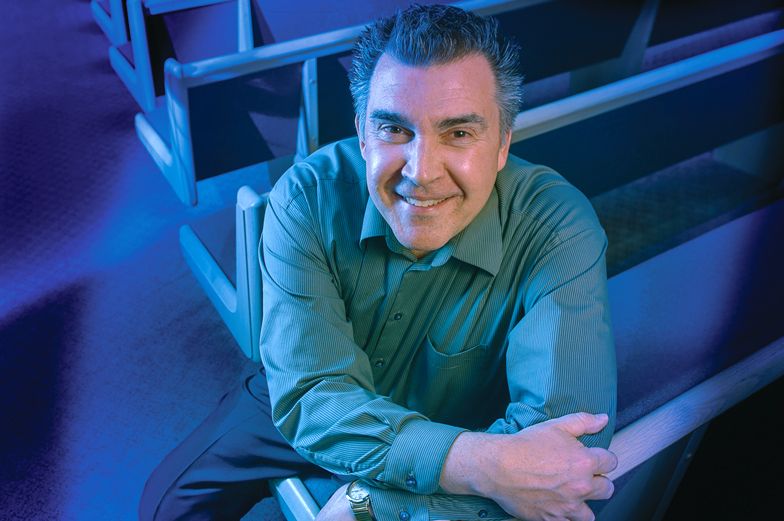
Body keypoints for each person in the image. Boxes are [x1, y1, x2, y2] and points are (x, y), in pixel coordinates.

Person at [139, 5, 617, 521]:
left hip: (457, 415)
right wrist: (475, 462)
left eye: (458, 133)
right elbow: (311, 393)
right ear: (363, 134)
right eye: (394, 129)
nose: (421, 172)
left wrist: (365, 503)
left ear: (502, 144)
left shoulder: (556, 225)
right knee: (166, 505)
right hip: (312, 394)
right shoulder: (305, 198)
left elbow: (558, 452)